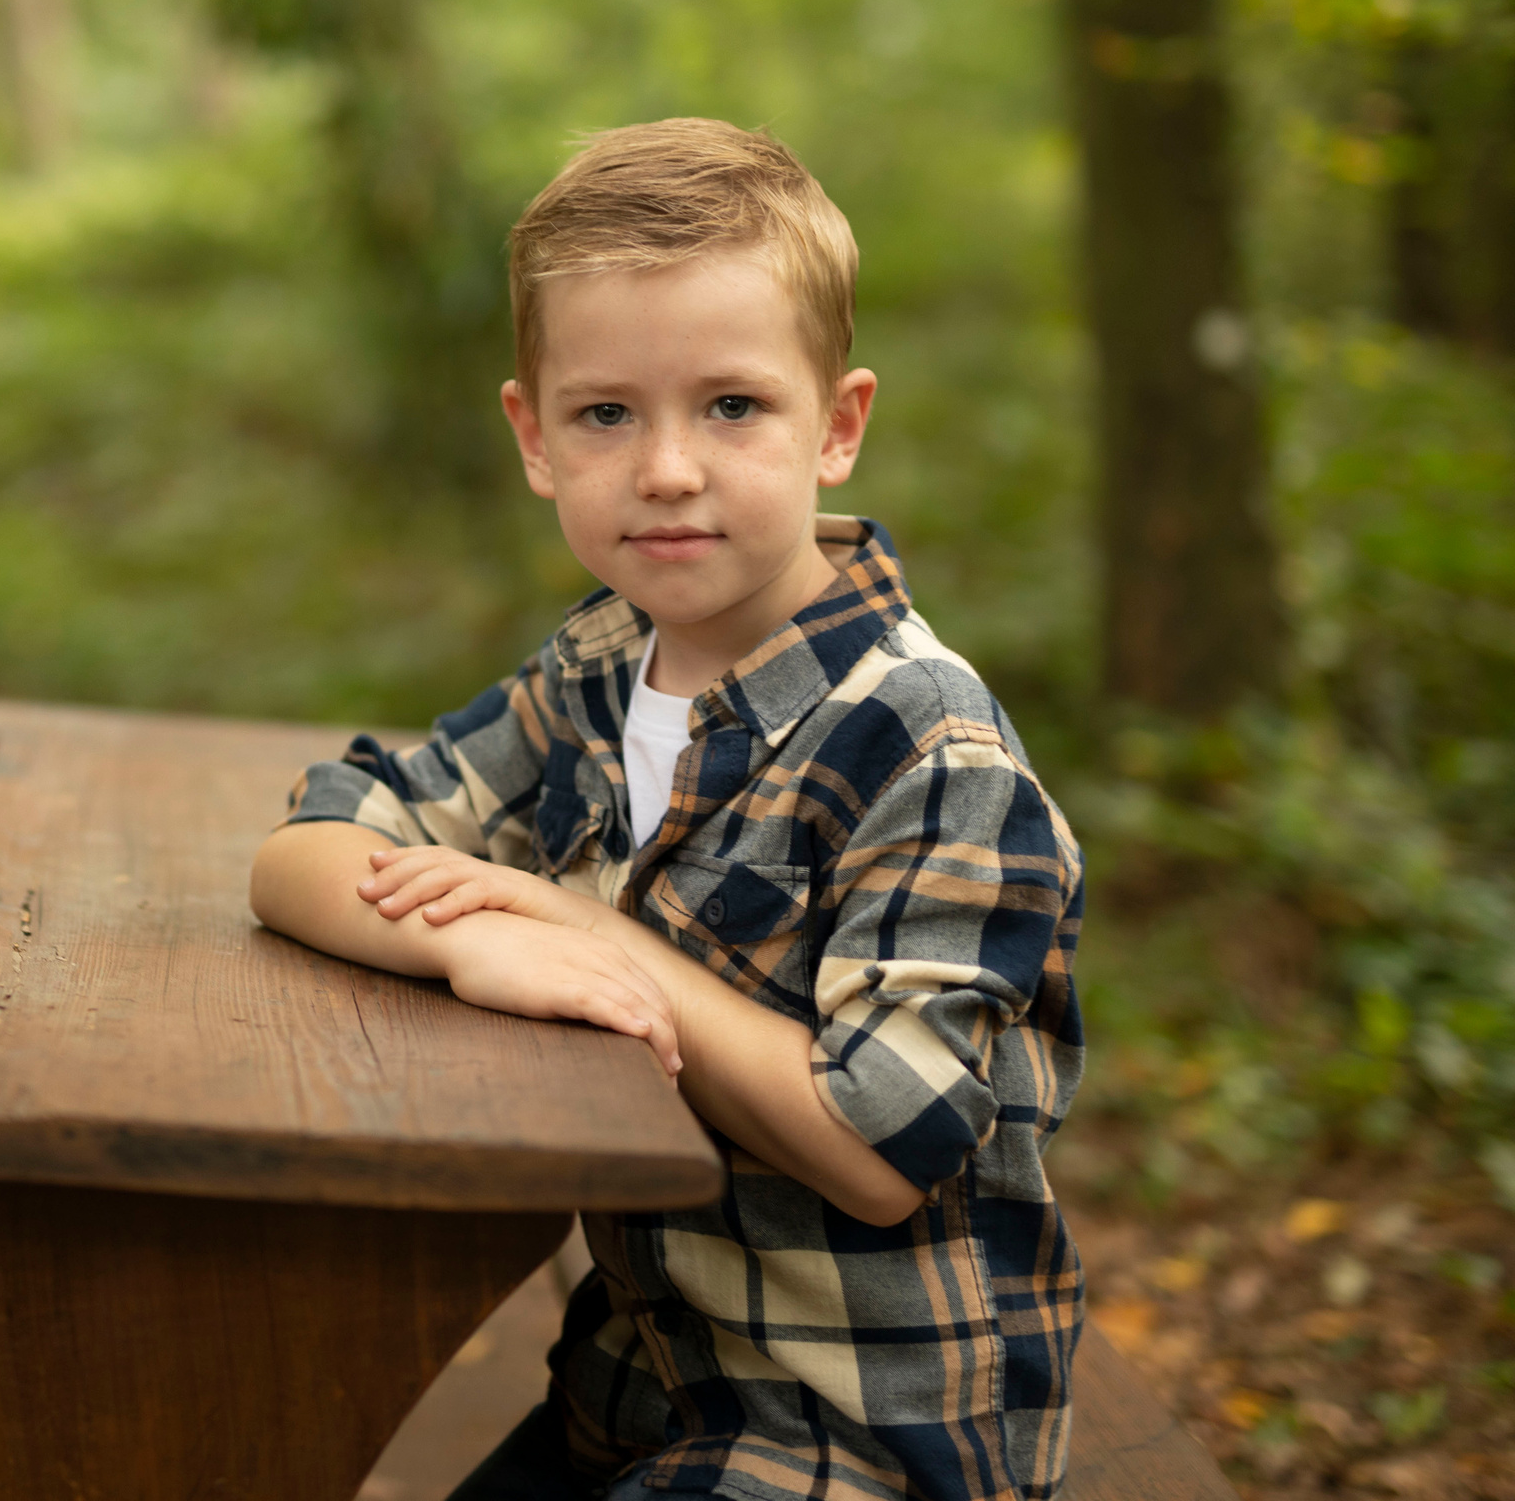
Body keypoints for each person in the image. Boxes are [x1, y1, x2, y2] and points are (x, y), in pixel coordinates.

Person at [248, 119, 1084, 1501]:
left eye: (733, 407)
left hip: (865, 1434)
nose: (669, 469)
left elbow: (882, 1151)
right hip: (639, 1381)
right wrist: (472, 942)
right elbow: (309, 846)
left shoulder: (926, 745)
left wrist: (602, 940)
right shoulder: (596, 669)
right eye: (607, 413)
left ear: (841, 425)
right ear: (535, 437)